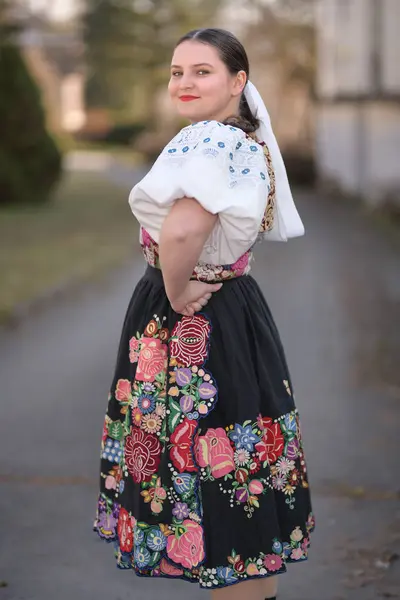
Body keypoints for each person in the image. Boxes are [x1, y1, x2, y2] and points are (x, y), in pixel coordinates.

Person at [94, 28, 314, 600]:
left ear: (238, 81)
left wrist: (176, 288)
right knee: (233, 468)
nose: (184, 82)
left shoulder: (213, 141)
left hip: (195, 318)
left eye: (202, 71)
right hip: (232, 311)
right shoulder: (241, 139)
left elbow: (187, 227)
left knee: (212, 468)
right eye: (176, 72)